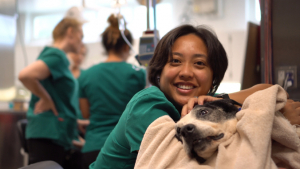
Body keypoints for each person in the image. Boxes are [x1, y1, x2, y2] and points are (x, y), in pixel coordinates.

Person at [89, 24, 300, 169]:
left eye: (199, 63)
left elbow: (268, 89)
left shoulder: (200, 104)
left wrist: (224, 99)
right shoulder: (148, 105)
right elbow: (181, 164)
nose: (187, 72)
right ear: (159, 71)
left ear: (213, 75)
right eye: (175, 61)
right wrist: (272, 120)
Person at [78, 14, 146, 169]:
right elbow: (143, 110)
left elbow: (86, 113)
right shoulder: (137, 73)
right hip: (127, 148)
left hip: (93, 147)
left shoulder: (86, 75)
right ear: (126, 47)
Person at [18, 18, 83, 169]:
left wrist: (74, 121)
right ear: (70, 32)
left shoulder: (57, 58)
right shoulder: (57, 56)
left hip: (52, 134)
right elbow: (25, 75)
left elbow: (59, 98)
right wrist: (45, 98)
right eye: (81, 35)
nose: (81, 41)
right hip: (47, 134)